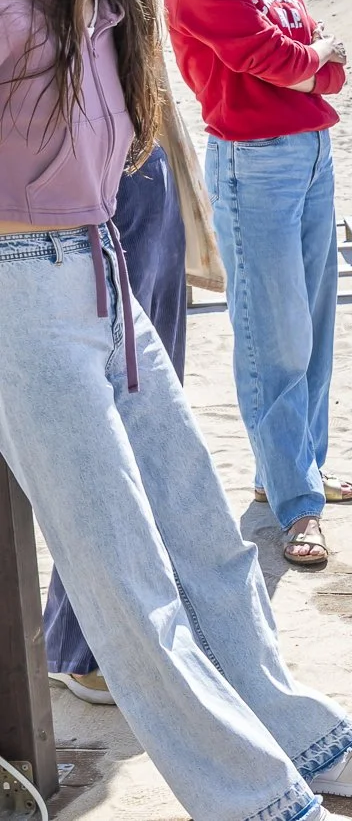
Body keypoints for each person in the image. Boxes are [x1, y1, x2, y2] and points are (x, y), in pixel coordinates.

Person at [0, 0, 352, 821]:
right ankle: (251, 797)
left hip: (106, 290)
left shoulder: (109, 15)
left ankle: (292, 727)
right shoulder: (13, 17)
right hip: (24, 299)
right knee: (125, 573)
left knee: (203, 533)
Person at [165, 0, 352, 565]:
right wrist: (314, 62)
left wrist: (313, 66)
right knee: (272, 336)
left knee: (313, 324)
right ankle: (296, 505)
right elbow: (269, 58)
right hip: (255, 163)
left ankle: (292, 470)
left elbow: (318, 65)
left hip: (311, 153)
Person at [45, 77, 220, 706]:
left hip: (145, 172)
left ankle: (127, 629)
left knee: (153, 422)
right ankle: (76, 643)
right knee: (108, 436)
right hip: (92, 187)